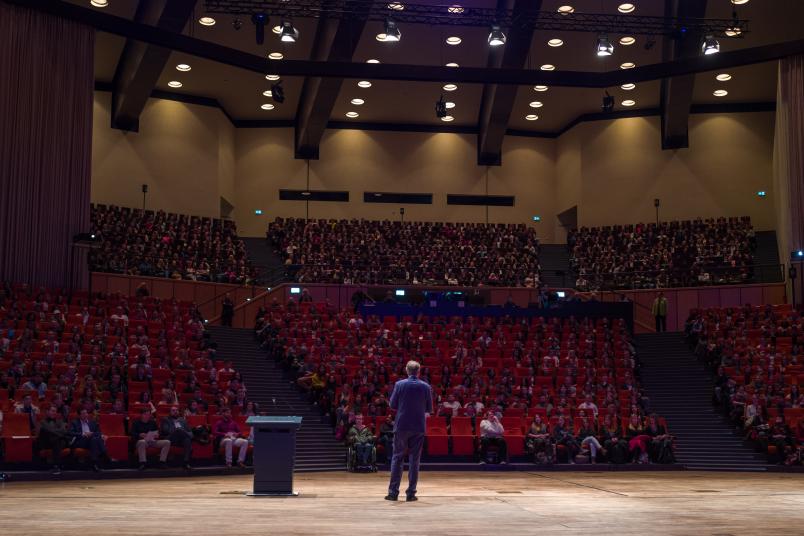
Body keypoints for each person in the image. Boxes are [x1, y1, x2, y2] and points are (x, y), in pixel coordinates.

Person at [386, 360, 433, 502]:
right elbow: (429, 408)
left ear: (407, 370)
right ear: (419, 371)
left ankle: (393, 493)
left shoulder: (399, 384)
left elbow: (392, 405)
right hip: (418, 426)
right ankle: (411, 493)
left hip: (402, 425)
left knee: (397, 458)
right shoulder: (426, 387)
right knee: (414, 460)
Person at [37, 405, 70, 474]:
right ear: (47, 412)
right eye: (52, 411)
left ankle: (56, 466)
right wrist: (59, 432)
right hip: (46, 442)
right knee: (58, 440)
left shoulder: (59, 421)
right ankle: (57, 465)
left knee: (57, 441)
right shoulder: (43, 422)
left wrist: (57, 432)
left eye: (55, 411)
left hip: (57, 442)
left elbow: (64, 431)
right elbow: (50, 430)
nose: (54, 413)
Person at [160, 405, 193, 470]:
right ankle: (186, 462)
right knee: (179, 431)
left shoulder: (182, 420)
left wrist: (183, 432)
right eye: (173, 410)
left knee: (187, 440)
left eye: (176, 410)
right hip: (171, 439)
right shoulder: (165, 419)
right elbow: (166, 430)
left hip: (181, 440)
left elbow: (191, 433)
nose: (175, 412)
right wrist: (177, 429)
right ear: (170, 412)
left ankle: (185, 462)